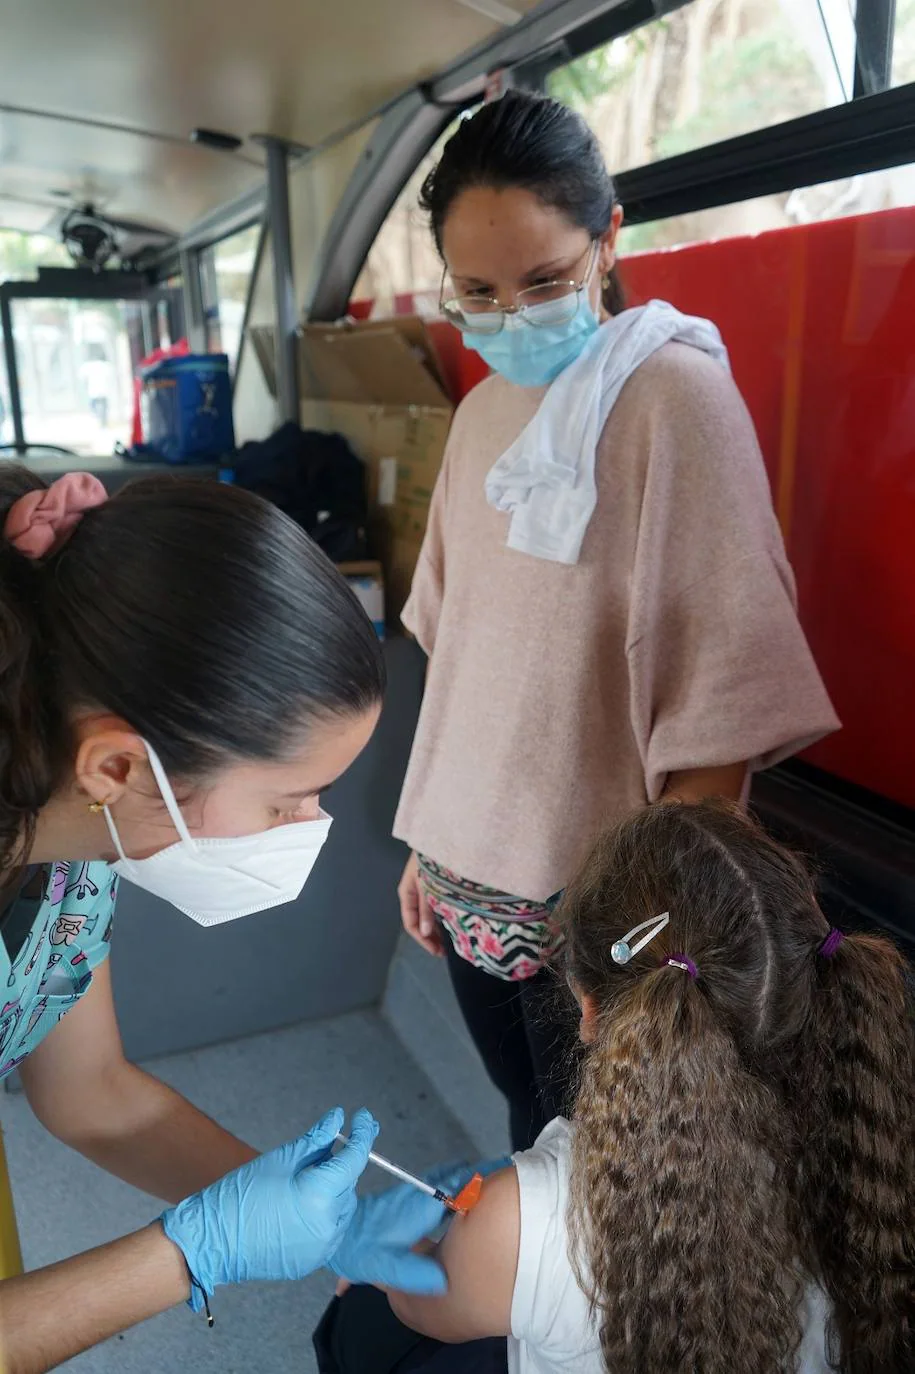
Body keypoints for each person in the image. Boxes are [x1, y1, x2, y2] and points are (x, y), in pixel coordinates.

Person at [394, 90, 840, 1151]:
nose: (513, 315)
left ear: (608, 239)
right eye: (479, 292)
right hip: (466, 883)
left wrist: (652, 940)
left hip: (598, 909)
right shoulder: (480, 412)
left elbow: (720, 712)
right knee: (529, 1129)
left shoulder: (674, 401)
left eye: (545, 281)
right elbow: (458, 656)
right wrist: (425, 845)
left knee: (611, 1164)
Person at [0, 466, 459, 1372]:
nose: (307, 829)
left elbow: (92, 1092)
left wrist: (329, 1223)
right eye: (288, 801)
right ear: (121, 768)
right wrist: (191, 1252)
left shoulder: (76, 859)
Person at [322, 799, 915, 1373]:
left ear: (588, 1009)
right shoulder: (878, 1126)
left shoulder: (524, 1220)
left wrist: (379, 1258)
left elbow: (428, 1311)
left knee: (359, 1316)